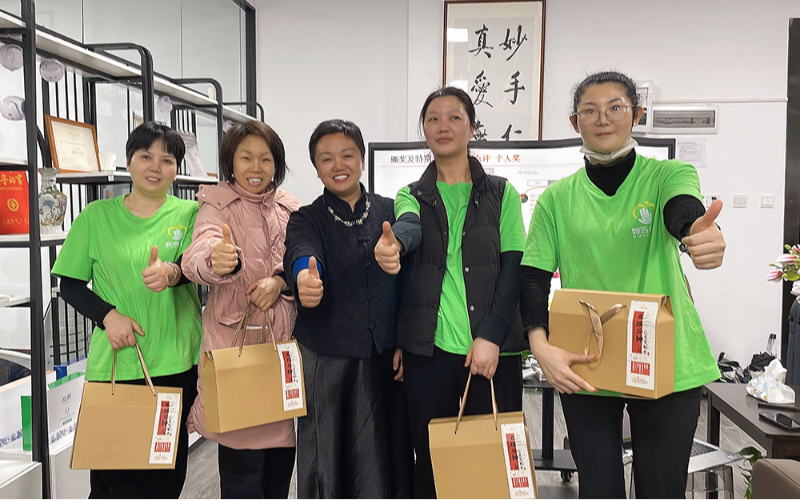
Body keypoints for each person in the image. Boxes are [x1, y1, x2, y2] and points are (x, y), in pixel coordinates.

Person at [520, 71, 726, 500]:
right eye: (589, 111)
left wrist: (697, 233)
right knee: (599, 490)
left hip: (668, 361)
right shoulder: (556, 199)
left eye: (615, 107)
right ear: (575, 122)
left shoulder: (667, 174)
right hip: (587, 361)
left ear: (637, 114)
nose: (603, 119)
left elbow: (682, 210)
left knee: (661, 489)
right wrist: (540, 346)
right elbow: (533, 279)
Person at [375, 87, 528, 500]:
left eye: (454, 117)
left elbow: (514, 269)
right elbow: (408, 227)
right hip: (429, 354)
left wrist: (491, 335)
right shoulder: (411, 194)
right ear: (424, 130)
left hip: (493, 353)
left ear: (472, 128)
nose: (443, 126)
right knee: (432, 463)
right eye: (433, 119)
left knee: (493, 463)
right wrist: (395, 245)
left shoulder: (502, 193)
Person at [52, 122, 202, 499]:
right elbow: (69, 284)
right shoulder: (96, 216)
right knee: (113, 482)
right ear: (129, 161)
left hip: (174, 362)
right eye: (146, 156)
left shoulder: (192, 213)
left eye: (167, 160)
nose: (155, 167)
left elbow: (200, 268)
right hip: (116, 365)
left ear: (177, 168)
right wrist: (108, 316)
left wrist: (172, 273)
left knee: (164, 479)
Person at [283, 119, 414, 500]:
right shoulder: (306, 218)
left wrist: (405, 340)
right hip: (329, 358)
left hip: (386, 357)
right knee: (329, 457)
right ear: (316, 167)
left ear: (361, 160)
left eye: (347, 155)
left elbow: (410, 284)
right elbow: (303, 252)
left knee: (389, 455)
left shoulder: (389, 211)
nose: (338, 165)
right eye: (326, 159)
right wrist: (305, 279)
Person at [181, 121, 299, 500]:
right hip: (238, 353)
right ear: (231, 161)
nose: (256, 168)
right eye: (246, 158)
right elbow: (199, 251)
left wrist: (281, 281)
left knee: (279, 474)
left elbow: (303, 259)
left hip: (282, 352)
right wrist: (217, 260)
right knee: (242, 478)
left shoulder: (289, 207)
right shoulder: (216, 206)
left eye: (265, 159)